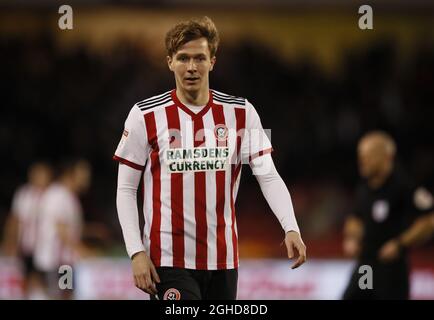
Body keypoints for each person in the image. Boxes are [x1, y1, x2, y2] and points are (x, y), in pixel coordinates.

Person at [113, 16, 306, 300]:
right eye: (183, 58)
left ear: (212, 61)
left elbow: (268, 174)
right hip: (168, 259)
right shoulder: (144, 115)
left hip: (224, 260)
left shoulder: (243, 112)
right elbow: (126, 189)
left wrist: (291, 227)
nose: (191, 67)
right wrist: (136, 252)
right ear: (170, 62)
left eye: (200, 58)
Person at [342, 131, 434, 300]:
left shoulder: (405, 185)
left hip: (391, 271)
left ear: (386, 156)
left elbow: (429, 220)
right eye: (360, 156)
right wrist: (352, 238)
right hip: (366, 267)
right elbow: (354, 218)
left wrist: (400, 244)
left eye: (367, 156)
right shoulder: (364, 188)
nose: (362, 161)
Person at [33, 159, 91, 298]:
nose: (87, 177)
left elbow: (71, 228)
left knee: (65, 295)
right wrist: (82, 250)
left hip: (62, 261)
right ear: (70, 174)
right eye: (83, 173)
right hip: (57, 261)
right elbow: (61, 230)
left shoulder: (68, 195)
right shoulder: (59, 195)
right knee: (61, 296)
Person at [2, 162, 53, 298]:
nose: (41, 178)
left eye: (44, 175)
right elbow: (15, 220)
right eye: (38, 175)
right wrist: (10, 242)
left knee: (51, 282)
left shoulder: (54, 195)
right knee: (27, 279)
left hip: (47, 248)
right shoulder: (24, 194)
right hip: (28, 246)